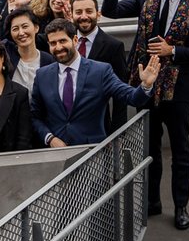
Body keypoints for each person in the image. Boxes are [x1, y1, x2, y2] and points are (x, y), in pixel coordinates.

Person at [101, 0, 189, 230]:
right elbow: (110, 11)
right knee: (149, 147)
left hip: (179, 92)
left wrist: (172, 50)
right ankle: (152, 202)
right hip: (147, 85)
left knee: (180, 149)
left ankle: (181, 207)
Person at [31, 19, 160, 149]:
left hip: (92, 154)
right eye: (53, 43)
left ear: (75, 40)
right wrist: (50, 138)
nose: (58, 47)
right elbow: (35, 116)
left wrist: (146, 85)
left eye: (63, 41)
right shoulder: (42, 75)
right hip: (57, 153)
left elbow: (132, 98)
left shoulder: (100, 71)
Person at [71, 0, 130, 134]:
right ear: (71, 15)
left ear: (98, 14)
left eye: (89, 11)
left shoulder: (113, 46)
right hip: (67, 124)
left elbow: (120, 94)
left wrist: (117, 132)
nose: (84, 16)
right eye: (78, 12)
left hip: (99, 124)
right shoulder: (63, 42)